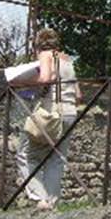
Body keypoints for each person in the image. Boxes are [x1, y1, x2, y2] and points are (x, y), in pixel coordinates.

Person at [17, 28, 81, 209]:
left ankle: (40, 198)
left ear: (38, 44)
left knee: (25, 154)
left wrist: (22, 83)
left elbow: (46, 78)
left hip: (50, 113)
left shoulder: (46, 55)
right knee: (57, 158)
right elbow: (78, 94)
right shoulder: (67, 60)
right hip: (70, 113)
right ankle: (52, 201)